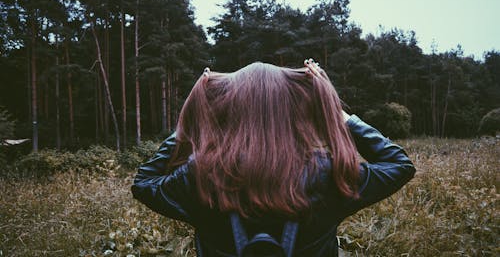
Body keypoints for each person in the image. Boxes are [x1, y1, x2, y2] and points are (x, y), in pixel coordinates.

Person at [132, 59, 416, 256]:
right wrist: (340, 117)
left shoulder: (202, 175)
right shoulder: (327, 174)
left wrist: (189, 125)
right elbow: (399, 165)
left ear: (232, 111)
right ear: (294, 112)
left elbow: (144, 184)